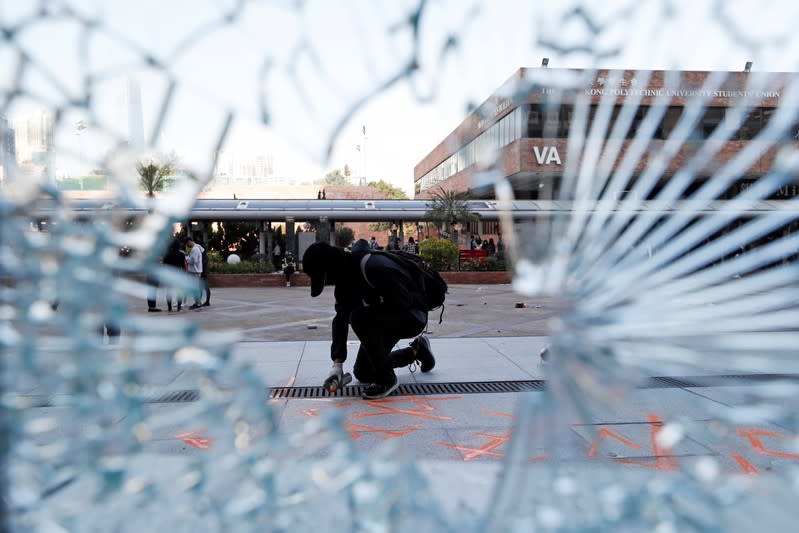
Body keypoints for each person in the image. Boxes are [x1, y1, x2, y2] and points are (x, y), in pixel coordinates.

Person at [302, 239, 436, 399]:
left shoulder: (373, 267)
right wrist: (337, 365)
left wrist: (370, 307)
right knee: (363, 372)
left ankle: (387, 379)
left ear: (332, 269)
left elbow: (405, 302)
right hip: (385, 321)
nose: (329, 284)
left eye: (325, 279)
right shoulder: (344, 282)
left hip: (412, 316)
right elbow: (340, 320)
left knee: (359, 317)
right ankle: (416, 350)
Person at [162, 238, 186, 312]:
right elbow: (183, 266)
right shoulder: (181, 254)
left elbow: (164, 266)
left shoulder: (166, 254)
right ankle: (178, 307)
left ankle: (169, 308)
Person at [185, 236, 205, 310]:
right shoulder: (197, 248)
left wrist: (186, 257)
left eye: (187, 243)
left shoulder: (195, 249)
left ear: (190, 241)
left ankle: (198, 303)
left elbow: (193, 261)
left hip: (195, 271)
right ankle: (197, 302)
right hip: (196, 271)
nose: (187, 245)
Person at [196, 237, 211, 306]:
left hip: (202, 273)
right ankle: (205, 301)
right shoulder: (205, 256)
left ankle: (204, 302)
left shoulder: (203, 257)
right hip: (204, 273)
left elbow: (201, 265)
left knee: (202, 288)